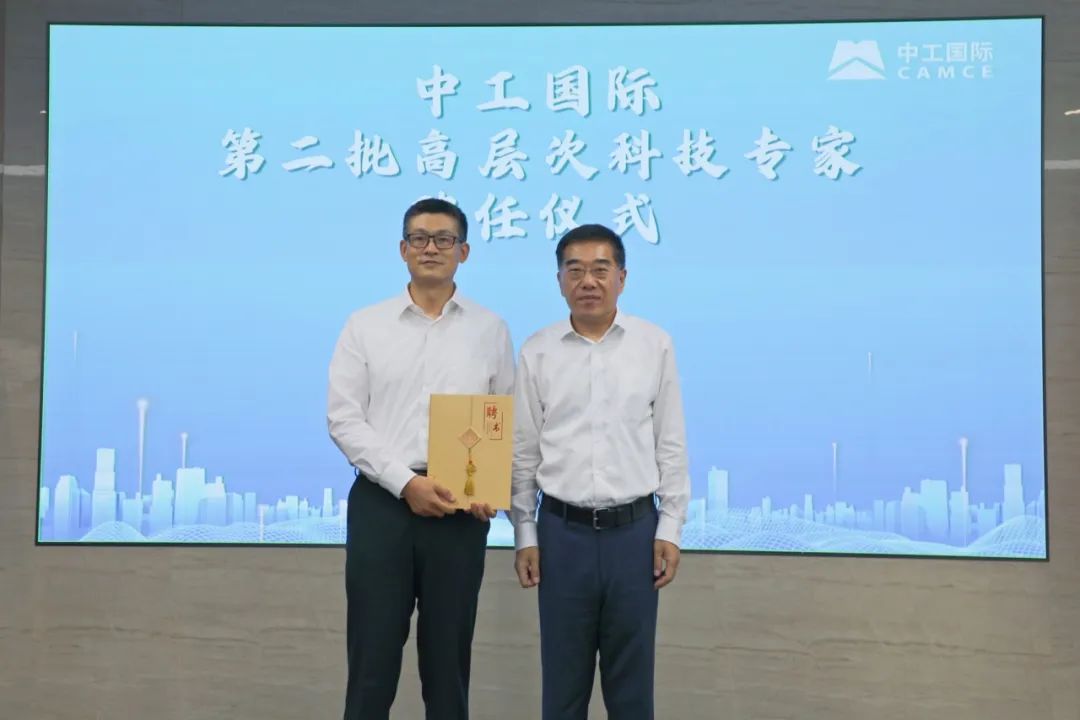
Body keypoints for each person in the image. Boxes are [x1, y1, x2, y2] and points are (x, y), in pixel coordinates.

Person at [327, 198, 514, 720]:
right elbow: (344, 419)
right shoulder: (365, 326)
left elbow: (503, 418)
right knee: (372, 660)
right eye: (419, 238)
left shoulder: (490, 329)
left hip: (460, 508)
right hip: (382, 505)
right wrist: (405, 483)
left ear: (464, 251)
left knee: (448, 664)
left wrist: (490, 488)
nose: (431, 248)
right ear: (402, 249)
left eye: (444, 239)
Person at [510, 223, 690, 720]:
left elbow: (670, 441)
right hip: (560, 535)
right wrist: (525, 532)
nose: (587, 281)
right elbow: (523, 451)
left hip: (634, 534)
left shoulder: (654, 345)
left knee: (631, 691)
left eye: (600, 269)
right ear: (559, 281)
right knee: (562, 688)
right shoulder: (537, 351)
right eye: (575, 270)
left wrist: (670, 527)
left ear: (622, 278)